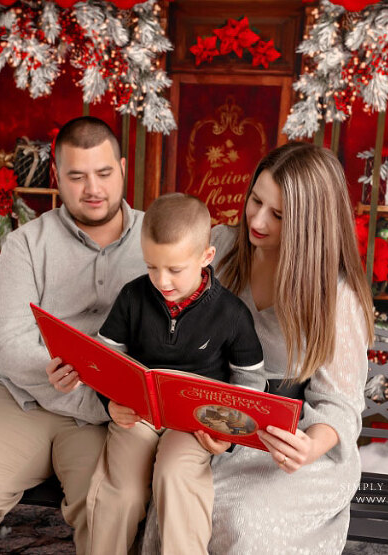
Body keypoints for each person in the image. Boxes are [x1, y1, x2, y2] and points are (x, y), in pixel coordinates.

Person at [0, 116, 146, 555]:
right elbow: (8, 342)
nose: (92, 188)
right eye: (77, 176)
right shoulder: (26, 244)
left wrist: (106, 398)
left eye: (103, 173)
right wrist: (58, 371)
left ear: (121, 169)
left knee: (114, 507)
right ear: (58, 177)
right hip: (25, 399)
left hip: (112, 417)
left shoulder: (157, 241)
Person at [142, 142, 374, 554]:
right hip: (215, 424)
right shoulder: (220, 247)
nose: (258, 219)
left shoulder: (337, 295)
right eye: (256, 200)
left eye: (279, 214)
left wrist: (309, 447)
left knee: (243, 521)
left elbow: (340, 404)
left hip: (293, 445)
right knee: (181, 500)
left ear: (311, 224)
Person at [82, 193, 265, 555]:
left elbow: (250, 382)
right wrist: (109, 401)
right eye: (152, 266)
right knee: (121, 490)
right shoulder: (134, 297)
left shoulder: (231, 313)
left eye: (175, 269)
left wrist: (228, 433)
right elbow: (104, 358)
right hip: (137, 413)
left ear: (205, 257)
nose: (161, 281)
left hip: (195, 423)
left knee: (176, 475)